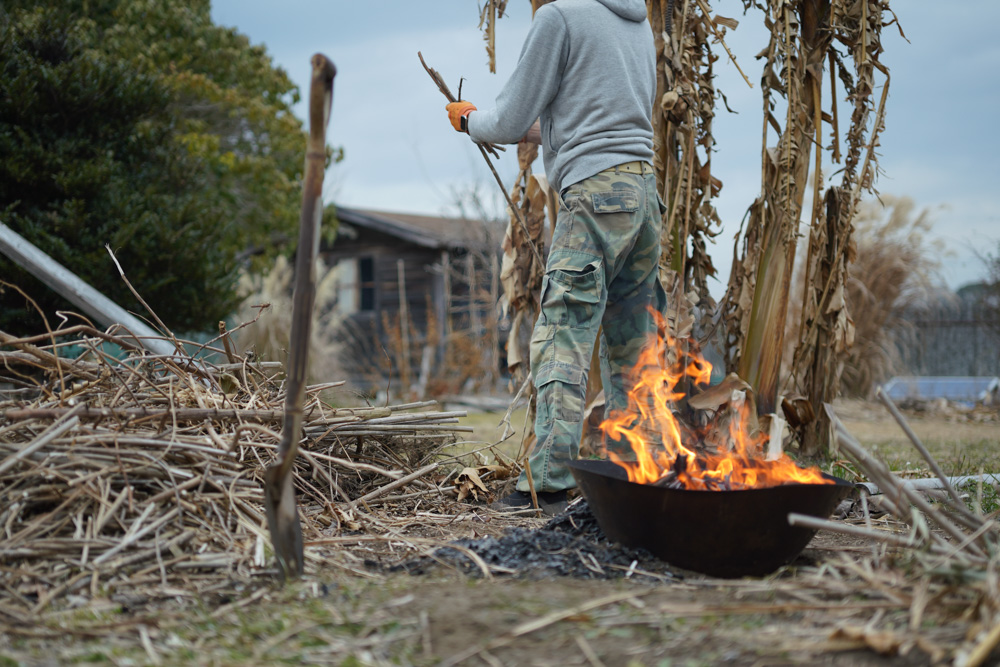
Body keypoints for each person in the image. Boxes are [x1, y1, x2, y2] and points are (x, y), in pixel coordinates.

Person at [446, 0, 666, 515]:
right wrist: (518, 127)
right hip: (643, 197)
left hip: (593, 193)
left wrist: (470, 120)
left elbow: (507, 118)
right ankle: (639, 475)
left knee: (564, 328)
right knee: (633, 339)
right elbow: (588, 117)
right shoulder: (635, 23)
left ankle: (547, 481)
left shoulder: (560, 17)